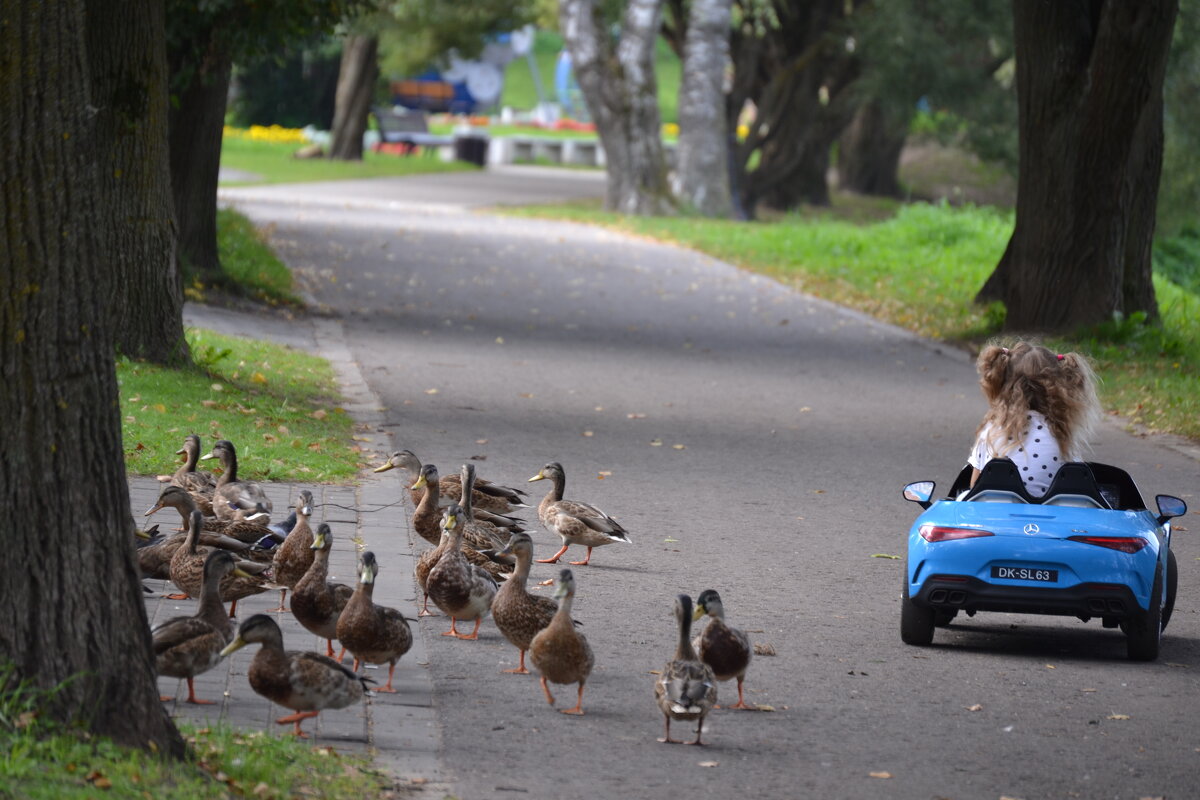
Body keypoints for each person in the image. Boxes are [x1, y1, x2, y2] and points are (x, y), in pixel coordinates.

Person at [968, 341, 1101, 496]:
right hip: (1050, 515)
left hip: (995, 513)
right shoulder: (1061, 436)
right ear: (1060, 389)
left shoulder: (991, 431)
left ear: (1003, 383)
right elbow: (1077, 481)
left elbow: (974, 489)